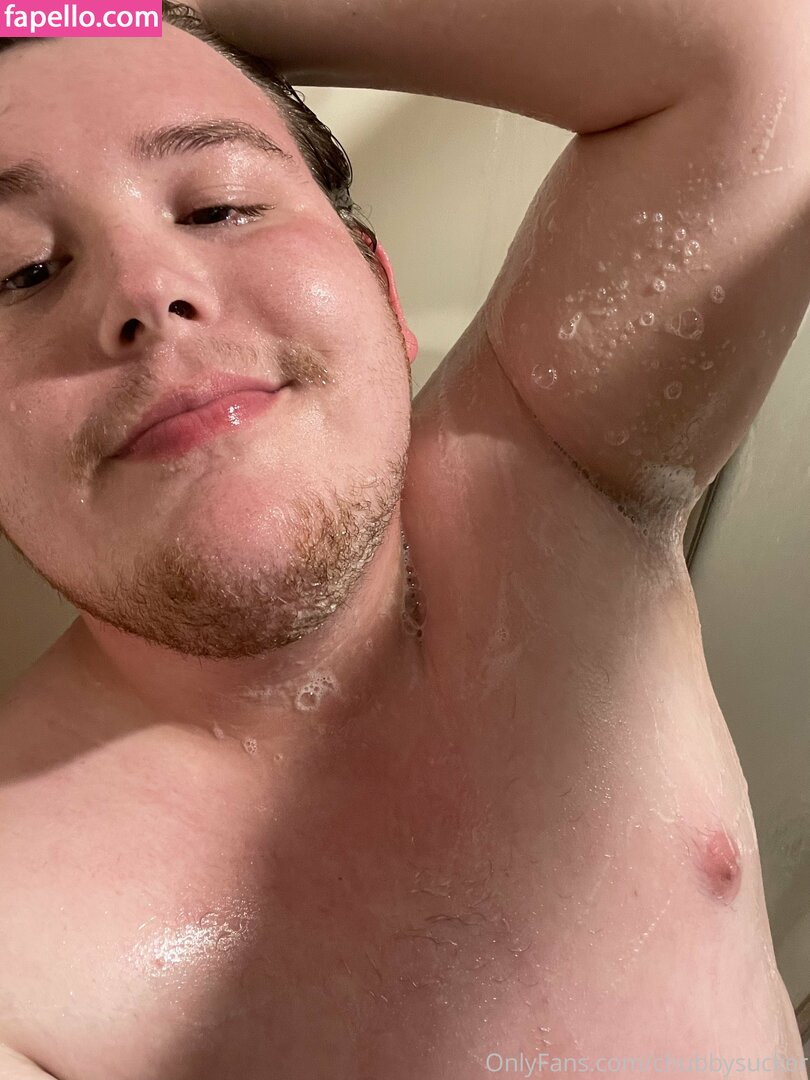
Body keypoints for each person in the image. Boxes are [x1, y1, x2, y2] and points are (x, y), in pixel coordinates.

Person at [0, 0, 807, 1074]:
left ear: (383, 293)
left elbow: (762, 51)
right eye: (21, 271)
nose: (148, 291)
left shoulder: (552, 479)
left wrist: (98, 2)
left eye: (222, 204)